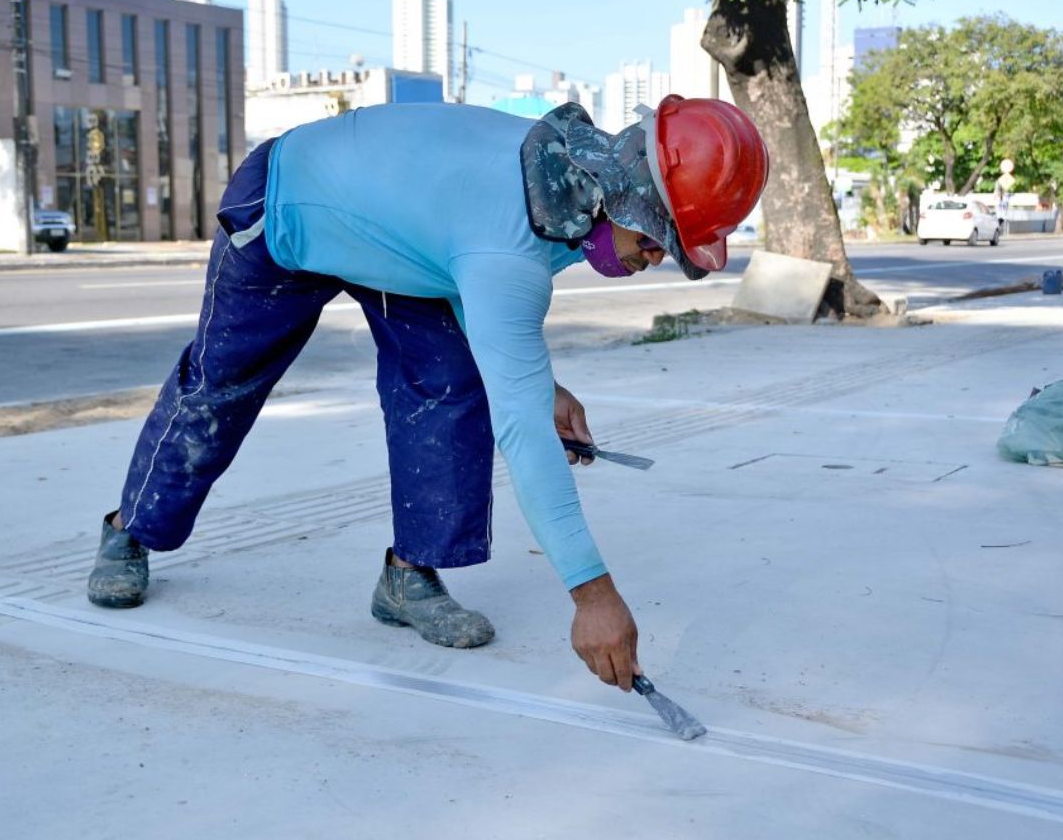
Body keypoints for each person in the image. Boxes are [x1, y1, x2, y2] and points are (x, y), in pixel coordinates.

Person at [86, 95, 768, 691]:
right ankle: (130, 533)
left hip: (400, 245)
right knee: (219, 387)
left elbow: (461, 260)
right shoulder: (519, 235)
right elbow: (521, 423)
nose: (655, 262)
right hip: (288, 208)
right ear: (625, 197)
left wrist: (546, 386)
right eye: (659, 243)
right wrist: (593, 595)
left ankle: (408, 577)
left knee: (445, 387)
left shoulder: (566, 184)